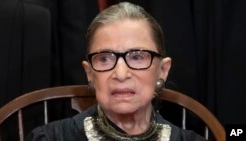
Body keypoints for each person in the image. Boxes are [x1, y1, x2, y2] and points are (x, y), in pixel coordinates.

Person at [26, 2, 206, 141]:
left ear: (163, 70)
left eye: (137, 57)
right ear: (89, 73)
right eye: (105, 58)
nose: (120, 74)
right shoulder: (49, 138)